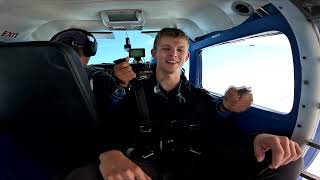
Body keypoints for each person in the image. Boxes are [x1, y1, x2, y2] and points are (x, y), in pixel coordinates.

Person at [95, 28, 303, 180]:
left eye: (179, 49)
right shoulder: (135, 93)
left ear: (186, 57)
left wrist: (256, 139)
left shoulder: (200, 97)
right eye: (166, 48)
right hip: (146, 165)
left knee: (289, 160)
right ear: (154, 54)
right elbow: (110, 127)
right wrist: (110, 153)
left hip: (195, 166)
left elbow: (220, 130)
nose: (173, 54)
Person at [50, 28, 136, 109]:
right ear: (90, 50)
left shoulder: (39, 76)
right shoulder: (99, 78)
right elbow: (113, 112)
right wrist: (122, 86)